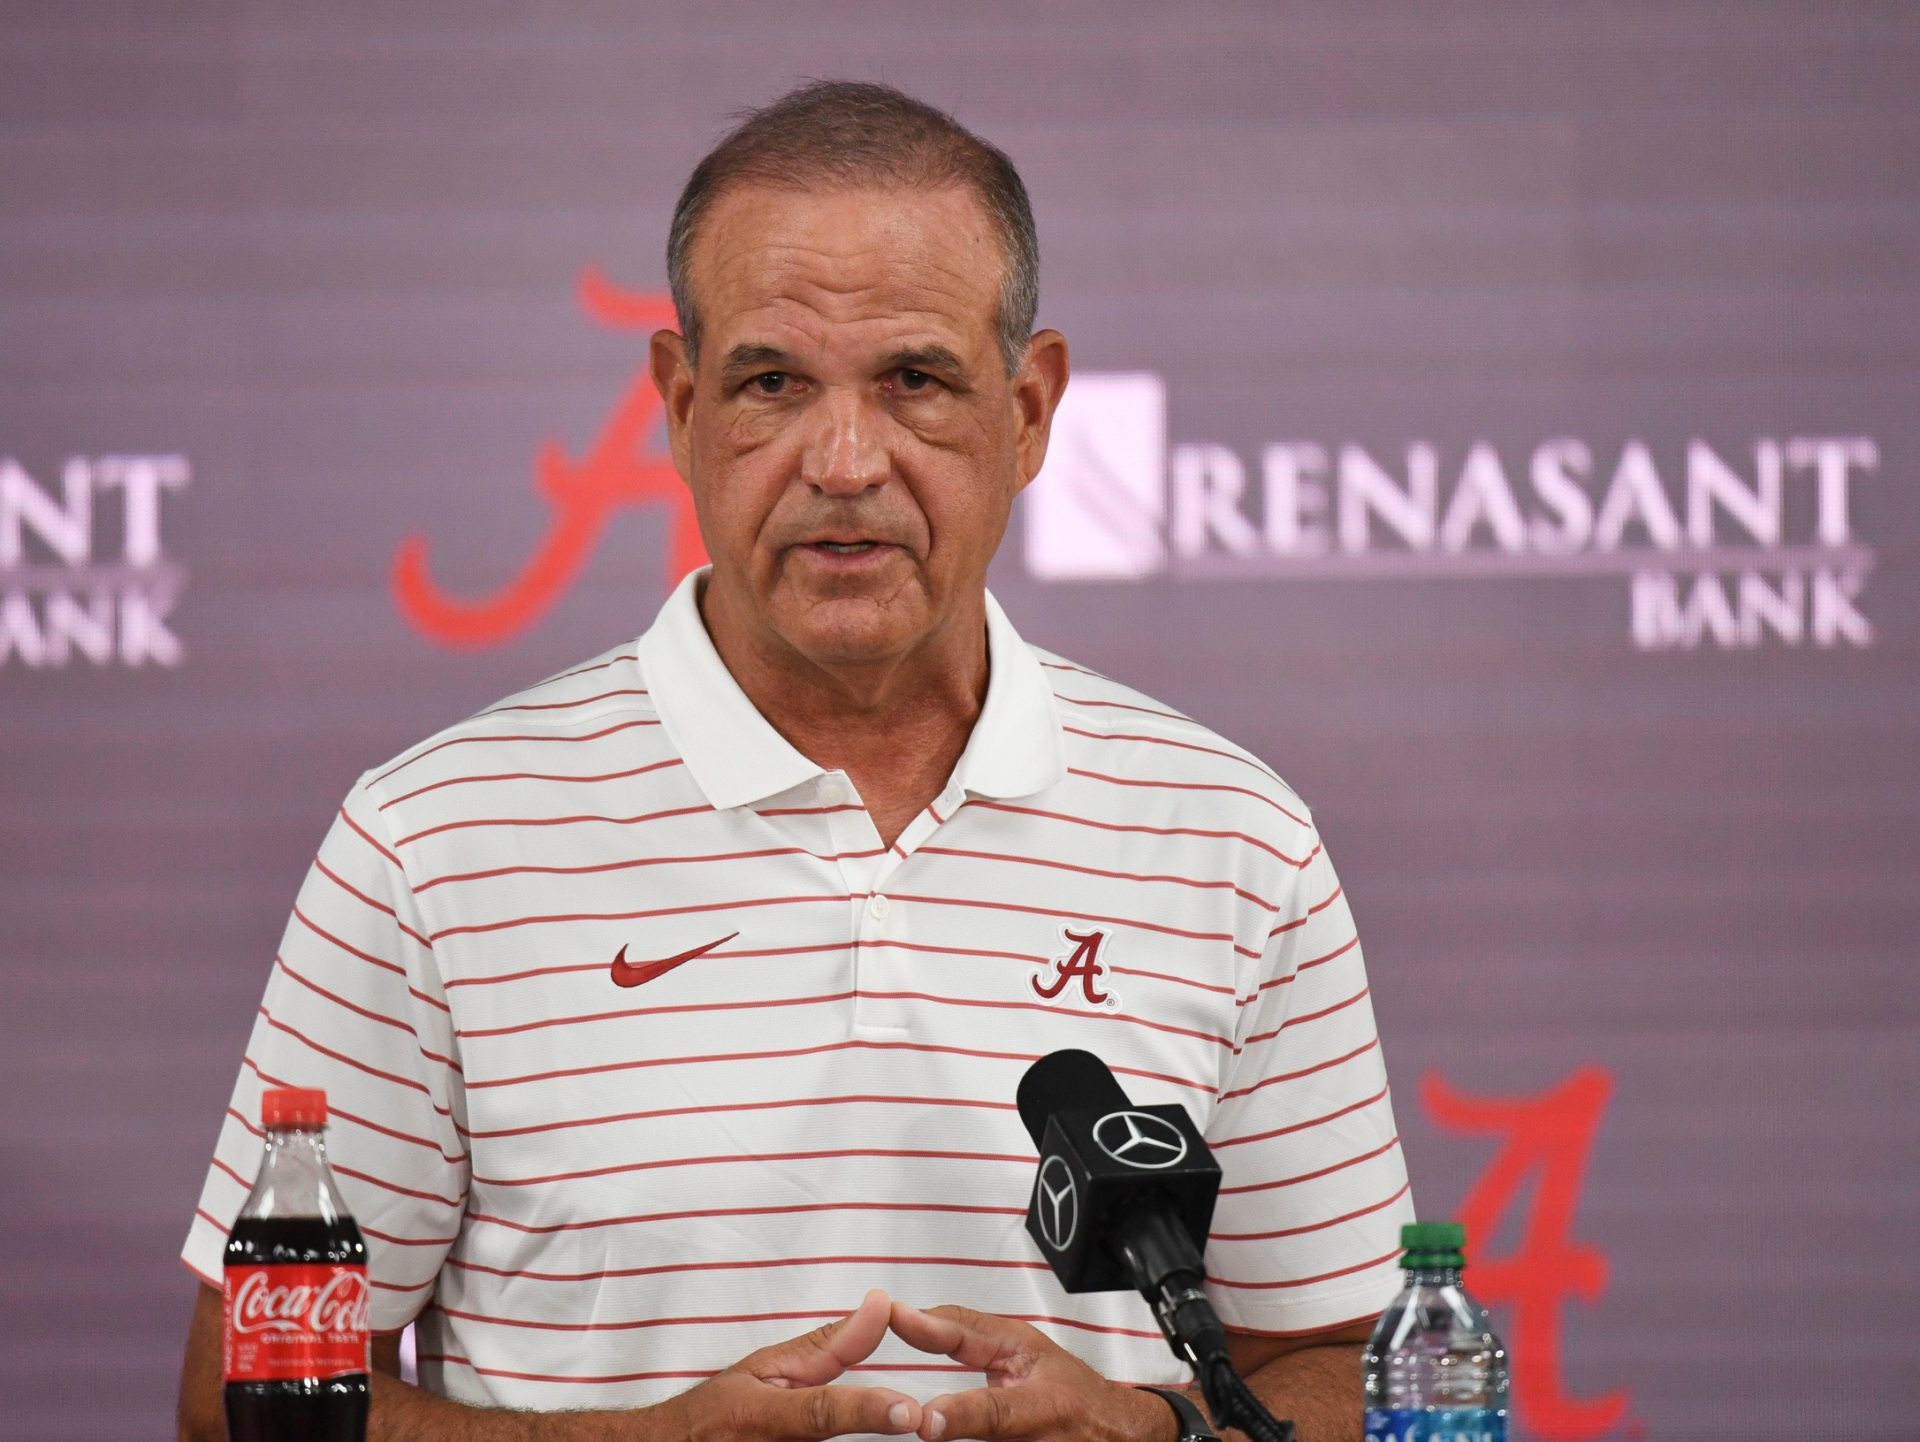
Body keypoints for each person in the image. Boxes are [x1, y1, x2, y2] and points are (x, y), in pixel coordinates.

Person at [176, 80, 1413, 1442]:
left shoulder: (1232, 838)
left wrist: (1157, 1430)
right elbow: (245, 1401)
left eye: (916, 383)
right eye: (774, 383)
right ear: (682, 403)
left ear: (1031, 410)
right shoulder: (432, 843)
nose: (842, 460)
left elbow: (1355, 1360)